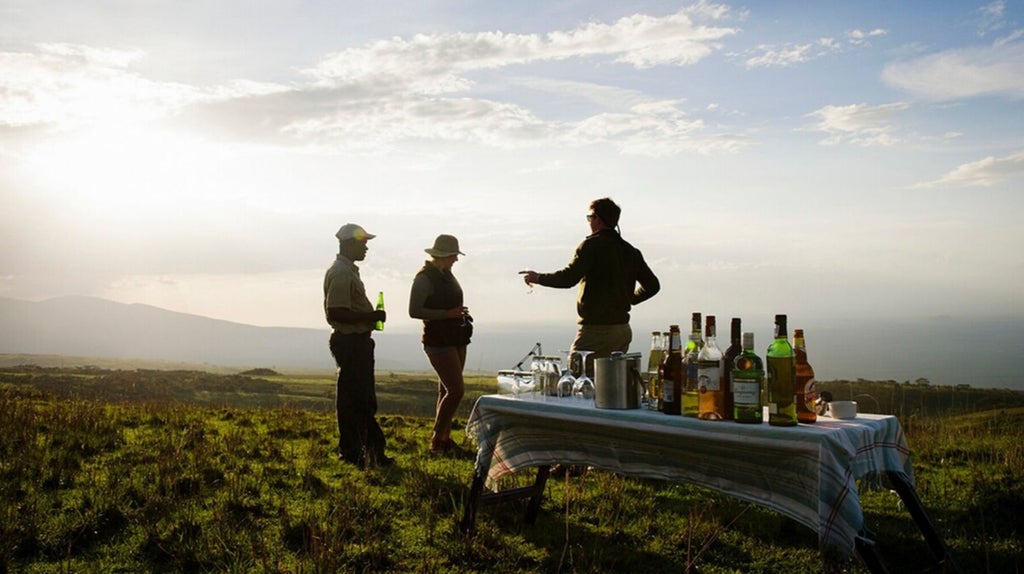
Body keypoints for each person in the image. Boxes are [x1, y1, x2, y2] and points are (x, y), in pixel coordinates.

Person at [520, 197, 660, 375]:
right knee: (608, 383)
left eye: (589, 218)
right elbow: (653, 285)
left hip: (595, 331)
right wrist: (630, 299)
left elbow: (568, 278)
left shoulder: (591, 245)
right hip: (622, 331)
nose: (589, 222)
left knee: (579, 379)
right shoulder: (631, 251)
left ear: (598, 219)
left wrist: (538, 278)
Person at [324, 223, 393, 468]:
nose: (366, 248)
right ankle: (362, 452)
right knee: (359, 399)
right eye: (363, 243)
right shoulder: (342, 273)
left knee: (356, 398)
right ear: (349, 243)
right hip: (352, 342)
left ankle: (360, 450)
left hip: (355, 341)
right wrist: (371, 317)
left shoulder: (347, 270)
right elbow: (337, 312)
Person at [408, 234, 472, 455]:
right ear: (445, 255)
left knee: (446, 389)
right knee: (456, 390)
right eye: (454, 255)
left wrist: (457, 314)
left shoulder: (447, 275)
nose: (456, 259)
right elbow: (414, 311)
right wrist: (447, 314)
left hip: (456, 337)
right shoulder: (424, 278)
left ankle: (443, 440)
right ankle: (437, 439)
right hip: (438, 340)